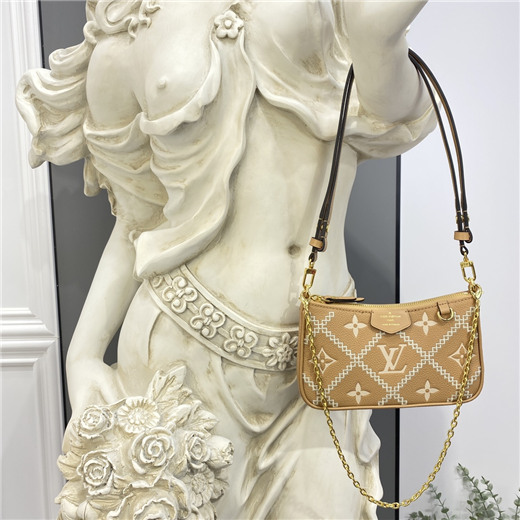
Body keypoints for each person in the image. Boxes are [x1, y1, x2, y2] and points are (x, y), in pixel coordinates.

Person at [17, 1, 435, 518]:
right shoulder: (131, 34)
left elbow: (394, 112)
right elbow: (137, 219)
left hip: (324, 351)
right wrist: (81, 353)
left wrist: (378, 39)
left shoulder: (336, 9)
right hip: (183, 357)